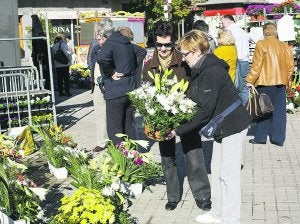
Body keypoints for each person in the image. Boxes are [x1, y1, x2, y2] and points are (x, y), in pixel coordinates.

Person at [173, 30, 252, 224]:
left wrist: (177, 130)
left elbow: (204, 111)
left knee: (229, 174)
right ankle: (217, 213)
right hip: (220, 127)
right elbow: (194, 100)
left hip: (233, 125)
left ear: (198, 51)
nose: (183, 59)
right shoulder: (200, 69)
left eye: (186, 54)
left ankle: (231, 219)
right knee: (216, 171)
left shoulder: (212, 71)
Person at [142, 21, 211, 211]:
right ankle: (173, 195)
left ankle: (202, 194)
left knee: (194, 154)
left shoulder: (184, 60)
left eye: (168, 44)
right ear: (154, 43)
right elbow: (147, 93)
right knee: (167, 157)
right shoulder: (149, 66)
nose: (163, 49)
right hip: (162, 117)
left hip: (185, 114)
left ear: (173, 43)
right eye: (159, 44)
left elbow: (195, 83)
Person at [246, 23, 294, 147]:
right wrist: (285, 78)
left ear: (264, 32)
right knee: (279, 112)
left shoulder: (261, 44)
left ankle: (261, 137)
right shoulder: (284, 46)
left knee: (264, 110)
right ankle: (278, 139)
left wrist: (249, 80)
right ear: (276, 32)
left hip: (265, 82)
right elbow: (290, 67)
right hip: (281, 83)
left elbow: (256, 66)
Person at [96, 23, 145, 144]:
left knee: (115, 128)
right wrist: (131, 69)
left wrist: (111, 72)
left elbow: (101, 58)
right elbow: (141, 52)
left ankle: (121, 158)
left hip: (115, 91)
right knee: (129, 124)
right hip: (129, 88)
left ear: (103, 34)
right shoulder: (124, 41)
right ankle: (134, 156)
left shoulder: (111, 43)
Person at [89, 19, 114, 151]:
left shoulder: (113, 49)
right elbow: (91, 63)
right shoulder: (95, 49)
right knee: (100, 115)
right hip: (97, 87)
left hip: (110, 86)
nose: (100, 41)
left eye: (102, 38)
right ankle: (101, 142)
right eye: (98, 39)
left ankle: (115, 140)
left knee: (112, 115)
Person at [222, 14, 250, 105]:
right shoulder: (242, 31)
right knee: (244, 86)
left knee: (234, 85)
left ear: (228, 20)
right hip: (245, 60)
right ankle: (245, 107)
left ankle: (236, 108)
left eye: (223, 22)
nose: (222, 25)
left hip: (236, 60)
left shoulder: (229, 31)